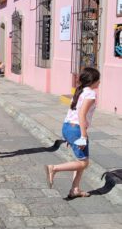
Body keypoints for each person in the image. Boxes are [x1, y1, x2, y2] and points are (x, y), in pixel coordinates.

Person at [45, 67, 101, 198]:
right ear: (93, 81)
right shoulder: (91, 94)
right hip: (76, 129)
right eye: (99, 80)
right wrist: (82, 135)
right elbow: (81, 114)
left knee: (80, 159)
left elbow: (73, 112)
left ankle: (75, 189)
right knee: (84, 163)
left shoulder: (80, 92)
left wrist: (70, 137)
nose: (100, 82)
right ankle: (53, 168)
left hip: (67, 127)